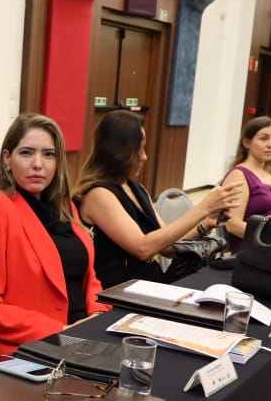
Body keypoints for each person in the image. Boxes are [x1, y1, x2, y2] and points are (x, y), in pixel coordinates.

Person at [0, 113, 109, 364]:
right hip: (31, 347)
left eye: (48, 154)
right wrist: (61, 333)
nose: (38, 164)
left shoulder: (65, 208)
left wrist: (96, 317)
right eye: (26, 153)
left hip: (84, 340)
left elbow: (89, 279)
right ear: (7, 159)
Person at [72, 109, 243, 289]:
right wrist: (203, 207)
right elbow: (143, 249)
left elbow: (166, 247)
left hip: (148, 284)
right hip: (119, 291)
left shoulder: (135, 188)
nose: (144, 157)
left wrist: (205, 224)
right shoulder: (98, 194)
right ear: (119, 152)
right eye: (139, 149)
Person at [220, 116, 271, 253]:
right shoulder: (239, 175)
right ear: (247, 142)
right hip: (254, 249)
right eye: (264, 139)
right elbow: (233, 225)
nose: (270, 145)